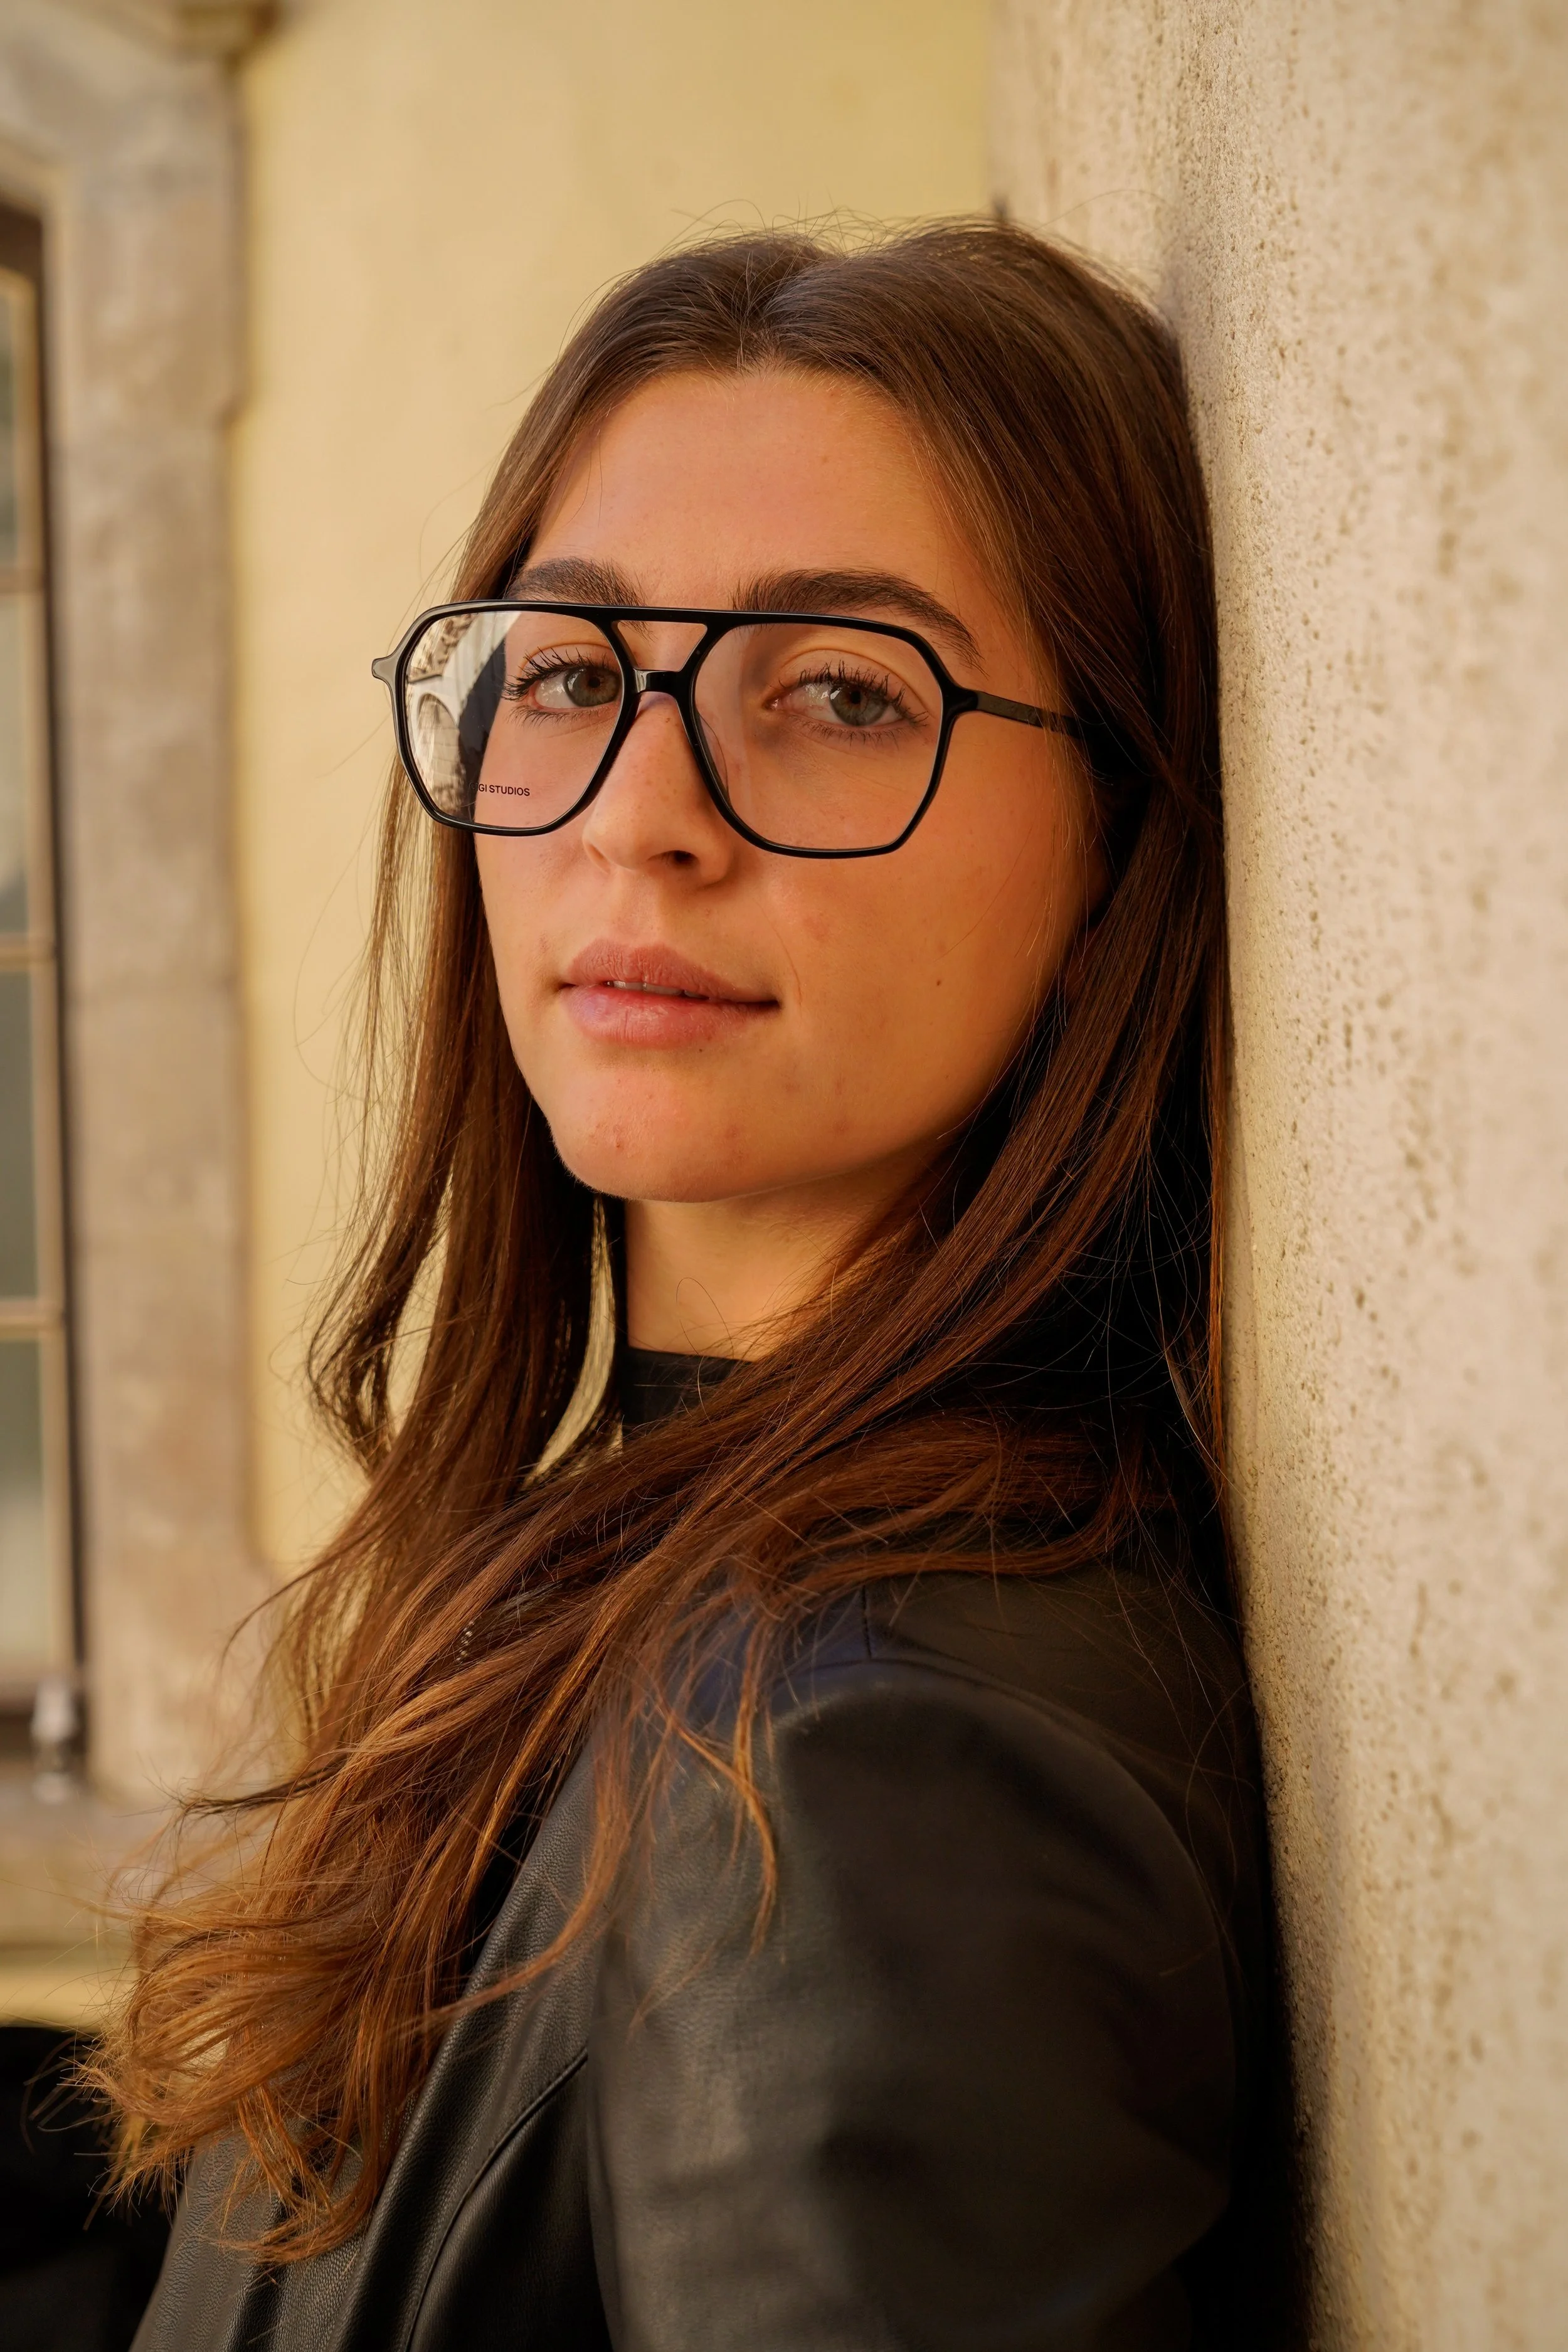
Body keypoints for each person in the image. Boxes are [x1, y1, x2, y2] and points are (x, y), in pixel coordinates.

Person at [108, 220, 1269, 2350]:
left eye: (838, 694)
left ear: (1117, 847)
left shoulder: (867, 1767)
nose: (640, 815)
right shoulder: (602, 1555)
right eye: (565, 673)